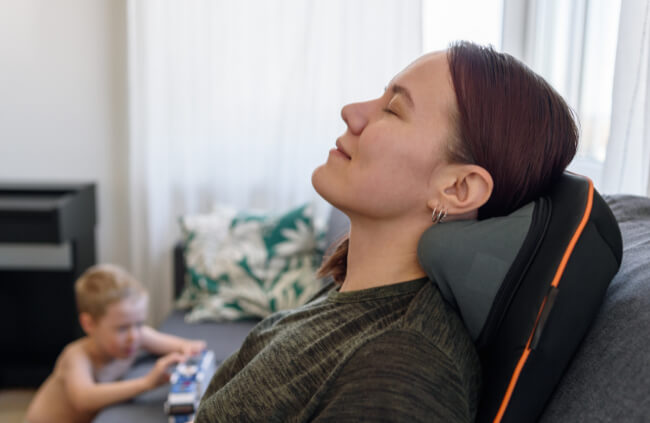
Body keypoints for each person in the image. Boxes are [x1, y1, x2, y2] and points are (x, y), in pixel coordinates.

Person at [194, 41, 578, 422]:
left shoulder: (401, 370)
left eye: (393, 110)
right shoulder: (351, 297)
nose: (351, 113)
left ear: (458, 189)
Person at [25, 263, 207, 423]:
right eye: (122, 328)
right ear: (89, 324)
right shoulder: (77, 356)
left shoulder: (134, 336)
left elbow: (185, 346)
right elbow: (83, 399)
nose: (134, 336)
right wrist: (146, 383)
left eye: (139, 324)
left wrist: (187, 350)